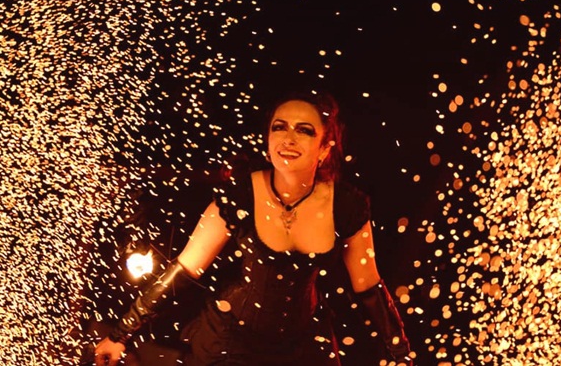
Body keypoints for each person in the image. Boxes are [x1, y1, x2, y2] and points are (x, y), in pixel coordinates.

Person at [93, 90, 413, 365]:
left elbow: (369, 287)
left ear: (326, 147)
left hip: (303, 345)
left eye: (304, 130)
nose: (288, 139)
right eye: (279, 127)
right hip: (231, 340)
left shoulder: (346, 206)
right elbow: (184, 270)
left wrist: (401, 354)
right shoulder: (240, 196)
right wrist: (121, 334)